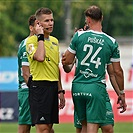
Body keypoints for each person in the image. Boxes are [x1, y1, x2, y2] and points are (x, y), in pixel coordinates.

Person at [62, 5, 127, 133]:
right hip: (95, 87)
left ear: (88, 20)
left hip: (78, 87)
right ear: (101, 18)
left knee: (84, 127)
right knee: (93, 127)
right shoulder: (111, 42)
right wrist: (122, 92)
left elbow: (67, 62)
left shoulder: (79, 36)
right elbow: (117, 71)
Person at [26, 7, 65, 133]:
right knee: (43, 129)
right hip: (39, 86)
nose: (51, 23)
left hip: (53, 87)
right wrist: (40, 36)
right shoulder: (31, 41)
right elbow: (40, 57)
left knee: (49, 128)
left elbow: (55, 67)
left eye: (52, 20)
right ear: (38, 23)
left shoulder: (55, 41)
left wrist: (60, 90)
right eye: (47, 21)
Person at [62, 60, 126, 133]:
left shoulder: (106, 49)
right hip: (81, 89)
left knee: (108, 128)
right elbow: (68, 68)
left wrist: (120, 94)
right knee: (82, 127)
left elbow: (112, 74)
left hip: (99, 91)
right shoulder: (77, 48)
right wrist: (65, 63)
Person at [17, 15, 36, 133]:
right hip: (28, 90)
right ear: (31, 28)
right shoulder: (27, 45)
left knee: (47, 127)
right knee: (24, 128)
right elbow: (25, 74)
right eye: (37, 25)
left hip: (35, 89)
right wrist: (35, 89)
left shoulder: (36, 43)